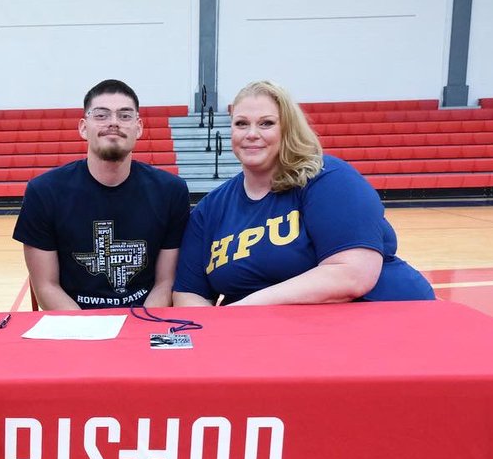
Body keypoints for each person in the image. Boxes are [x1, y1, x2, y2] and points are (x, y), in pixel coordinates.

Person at [173, 80, 434, 306]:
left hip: (385, 319)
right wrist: (213, 332)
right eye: (241, 124)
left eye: (266, 123)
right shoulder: (210, 209)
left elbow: (353, 274)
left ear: (287, 129)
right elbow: (188, 295)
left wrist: (244, 309)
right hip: (274, 337)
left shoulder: (327, 178)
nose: (251, 134)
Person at [13, 79, 190, 309]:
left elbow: (165, 283)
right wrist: (90, 336)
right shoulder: (44, 192)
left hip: (144, 322)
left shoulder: (171, 191)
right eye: (101, 115)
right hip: (73, 325)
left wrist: (139, 330)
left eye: (125, 116)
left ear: (139, 127)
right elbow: (46, 286)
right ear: (83, 127)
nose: (114, 123)